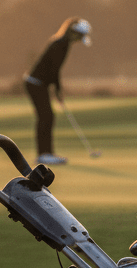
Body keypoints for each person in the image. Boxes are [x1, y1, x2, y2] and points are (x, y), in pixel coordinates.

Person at [25, 17, 92, 165]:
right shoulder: (60, 45)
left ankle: (46, 153)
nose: (78, 40)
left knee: (47, 116)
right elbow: (54, 70)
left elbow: (53, 70)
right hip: (35, 83)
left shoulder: (62, 43)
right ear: (73, 32)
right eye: (79, 36)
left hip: (39, 84)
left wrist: (56, 89)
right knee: (46, 116)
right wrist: (58, 90)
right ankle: (44, 154)